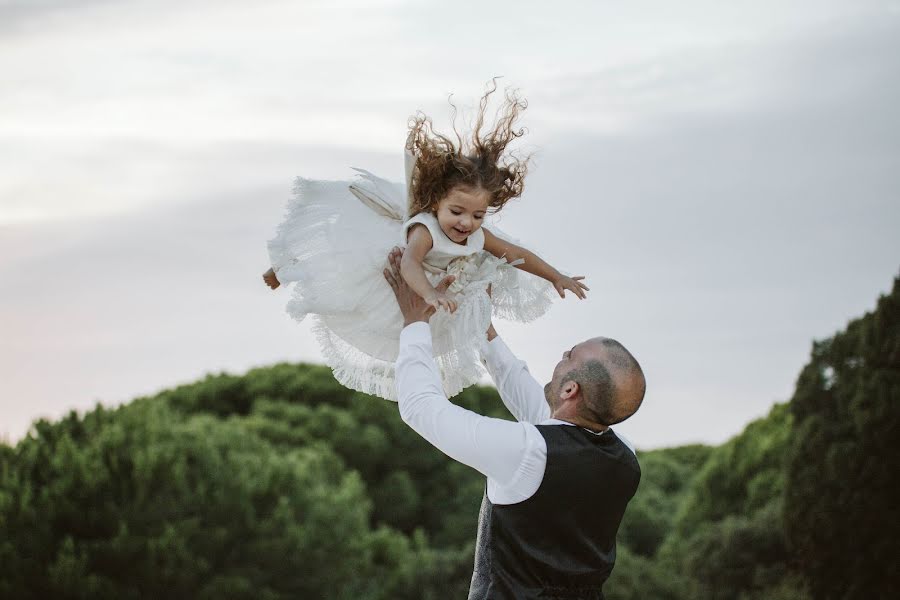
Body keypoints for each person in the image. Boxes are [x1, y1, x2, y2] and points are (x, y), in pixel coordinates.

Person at [262, 78, 587, 401]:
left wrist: (556, 276)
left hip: (439, 276)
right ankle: (283, 267)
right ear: (436, 204)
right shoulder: (424, 231)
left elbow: (517, 253)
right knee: (331, 266)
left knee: (484, 277)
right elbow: (409, 265)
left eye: (478, 215)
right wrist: (429, 292)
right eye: (457, 212)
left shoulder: (477, 234)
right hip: (393, 262)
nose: (467, 223)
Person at [383, 247, 645, 600]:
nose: (562, 356)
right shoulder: (626, 458)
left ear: (570, 389)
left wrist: (414, 323)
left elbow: (421, 408)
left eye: (569, 355)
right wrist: (483, 330)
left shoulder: (528, 451)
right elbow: (541, 411)